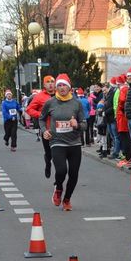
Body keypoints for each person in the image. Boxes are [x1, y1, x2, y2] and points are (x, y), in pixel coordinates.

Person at [39, 73, 87, 211]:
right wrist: (44, 130)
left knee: (73, 174)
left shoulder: (77, 103)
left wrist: (76, 124)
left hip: (74, 143)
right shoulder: (50, 102)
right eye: (58, 85)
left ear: (69, 87)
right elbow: (41, 118)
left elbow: (84, 125)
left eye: (64, 85)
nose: (61, 88)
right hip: (57, 142)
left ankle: (67, 199)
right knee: (61, 170)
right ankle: (58, 188)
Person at [27, 75, 56, 178]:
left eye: (52, 81)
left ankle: (59, 177)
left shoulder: (60, 94)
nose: (51, 84)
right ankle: (48, 164)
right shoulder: (39, 96)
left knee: (58, 155)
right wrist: (41, 115)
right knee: (49, 154)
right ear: (44, 84)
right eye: (48, 82)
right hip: (46, 130)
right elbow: (29, 109)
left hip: (59, 130)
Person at [116, 74, 131, 167]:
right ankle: (127, 157)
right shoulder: (126, 89)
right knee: (126, 138)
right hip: (123, 116)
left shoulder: (123, 89)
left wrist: (120, 110)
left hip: (122, 117)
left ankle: (127, 158)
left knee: (125, 138)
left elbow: (121, 101)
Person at [104, 76, 121, 159]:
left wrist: (105, 111)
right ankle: (115, 151)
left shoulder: (114, 92)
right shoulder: (112, 92)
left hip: (112, 117)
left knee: (115, 136)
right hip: (110, 117)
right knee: (113, 135)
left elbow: (113, 105)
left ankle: (116, 152)